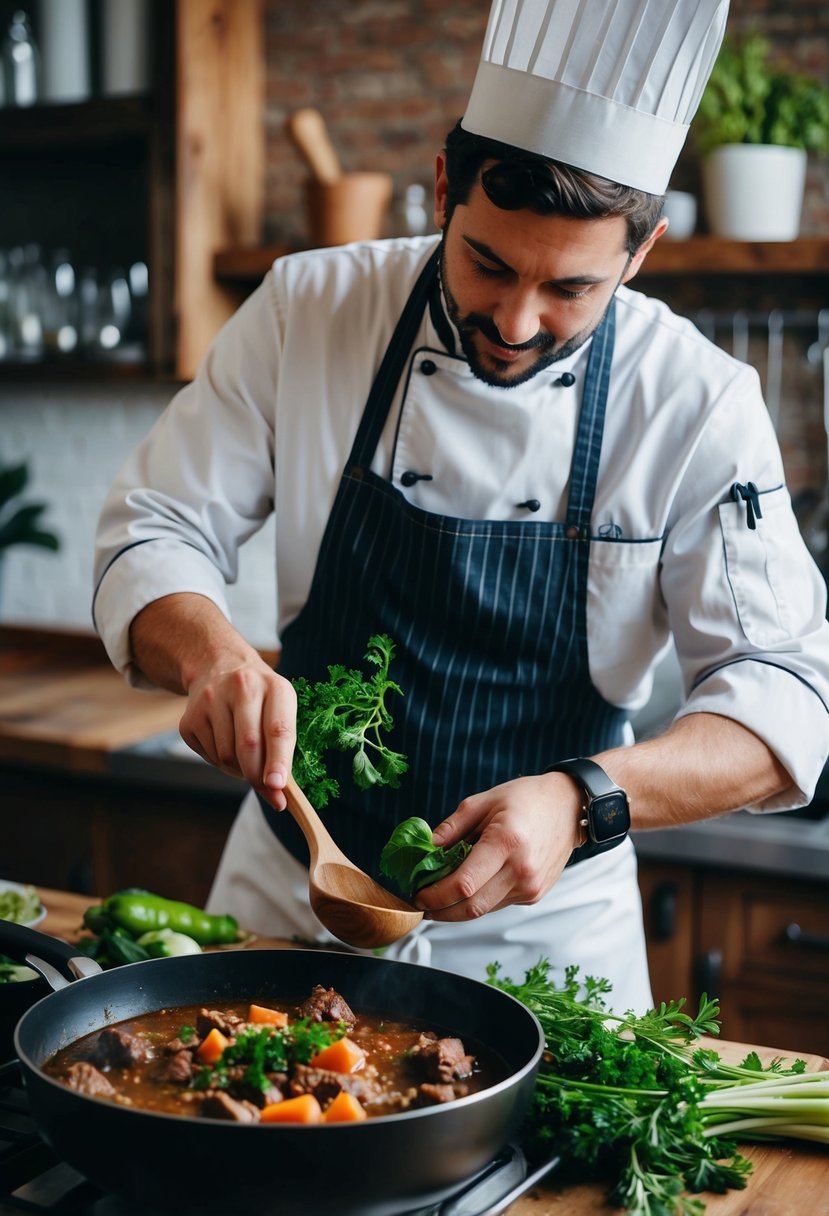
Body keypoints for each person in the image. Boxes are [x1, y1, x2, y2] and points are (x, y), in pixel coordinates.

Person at [93, 0, 829, 1014]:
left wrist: (586, 799)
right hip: (289, 898)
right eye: (486, 261)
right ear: (444, 188)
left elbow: (782, 696)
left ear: (640, 251)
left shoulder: (697, 405)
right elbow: (153, 526)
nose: (516, 322)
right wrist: (213, 652)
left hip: (551, 950)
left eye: (570, 288)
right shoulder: (310, 310)